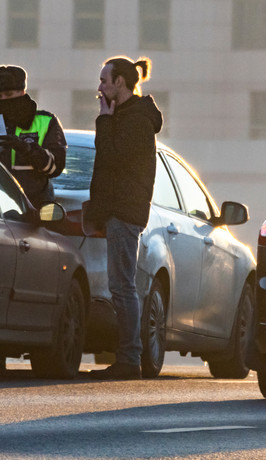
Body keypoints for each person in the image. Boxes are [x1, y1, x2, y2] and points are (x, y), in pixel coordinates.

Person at [86, 56, 163, 380]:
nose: (100, 87)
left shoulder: (134, 120)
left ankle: (130, 358)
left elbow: (112, 158)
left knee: (122, 287)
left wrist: (104, 121)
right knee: (122, 286)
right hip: (118, 210)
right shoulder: (127, 116)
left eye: (105, 80)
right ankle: (129, 356)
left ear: (120, 82)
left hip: (125, 211)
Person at [0, 65, 66, 208]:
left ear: (22, 91)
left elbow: (55, 168)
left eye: (9, 94)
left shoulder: (46, 121)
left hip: (38, 207)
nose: (3, 99)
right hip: (0, 207)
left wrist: (26, 149)